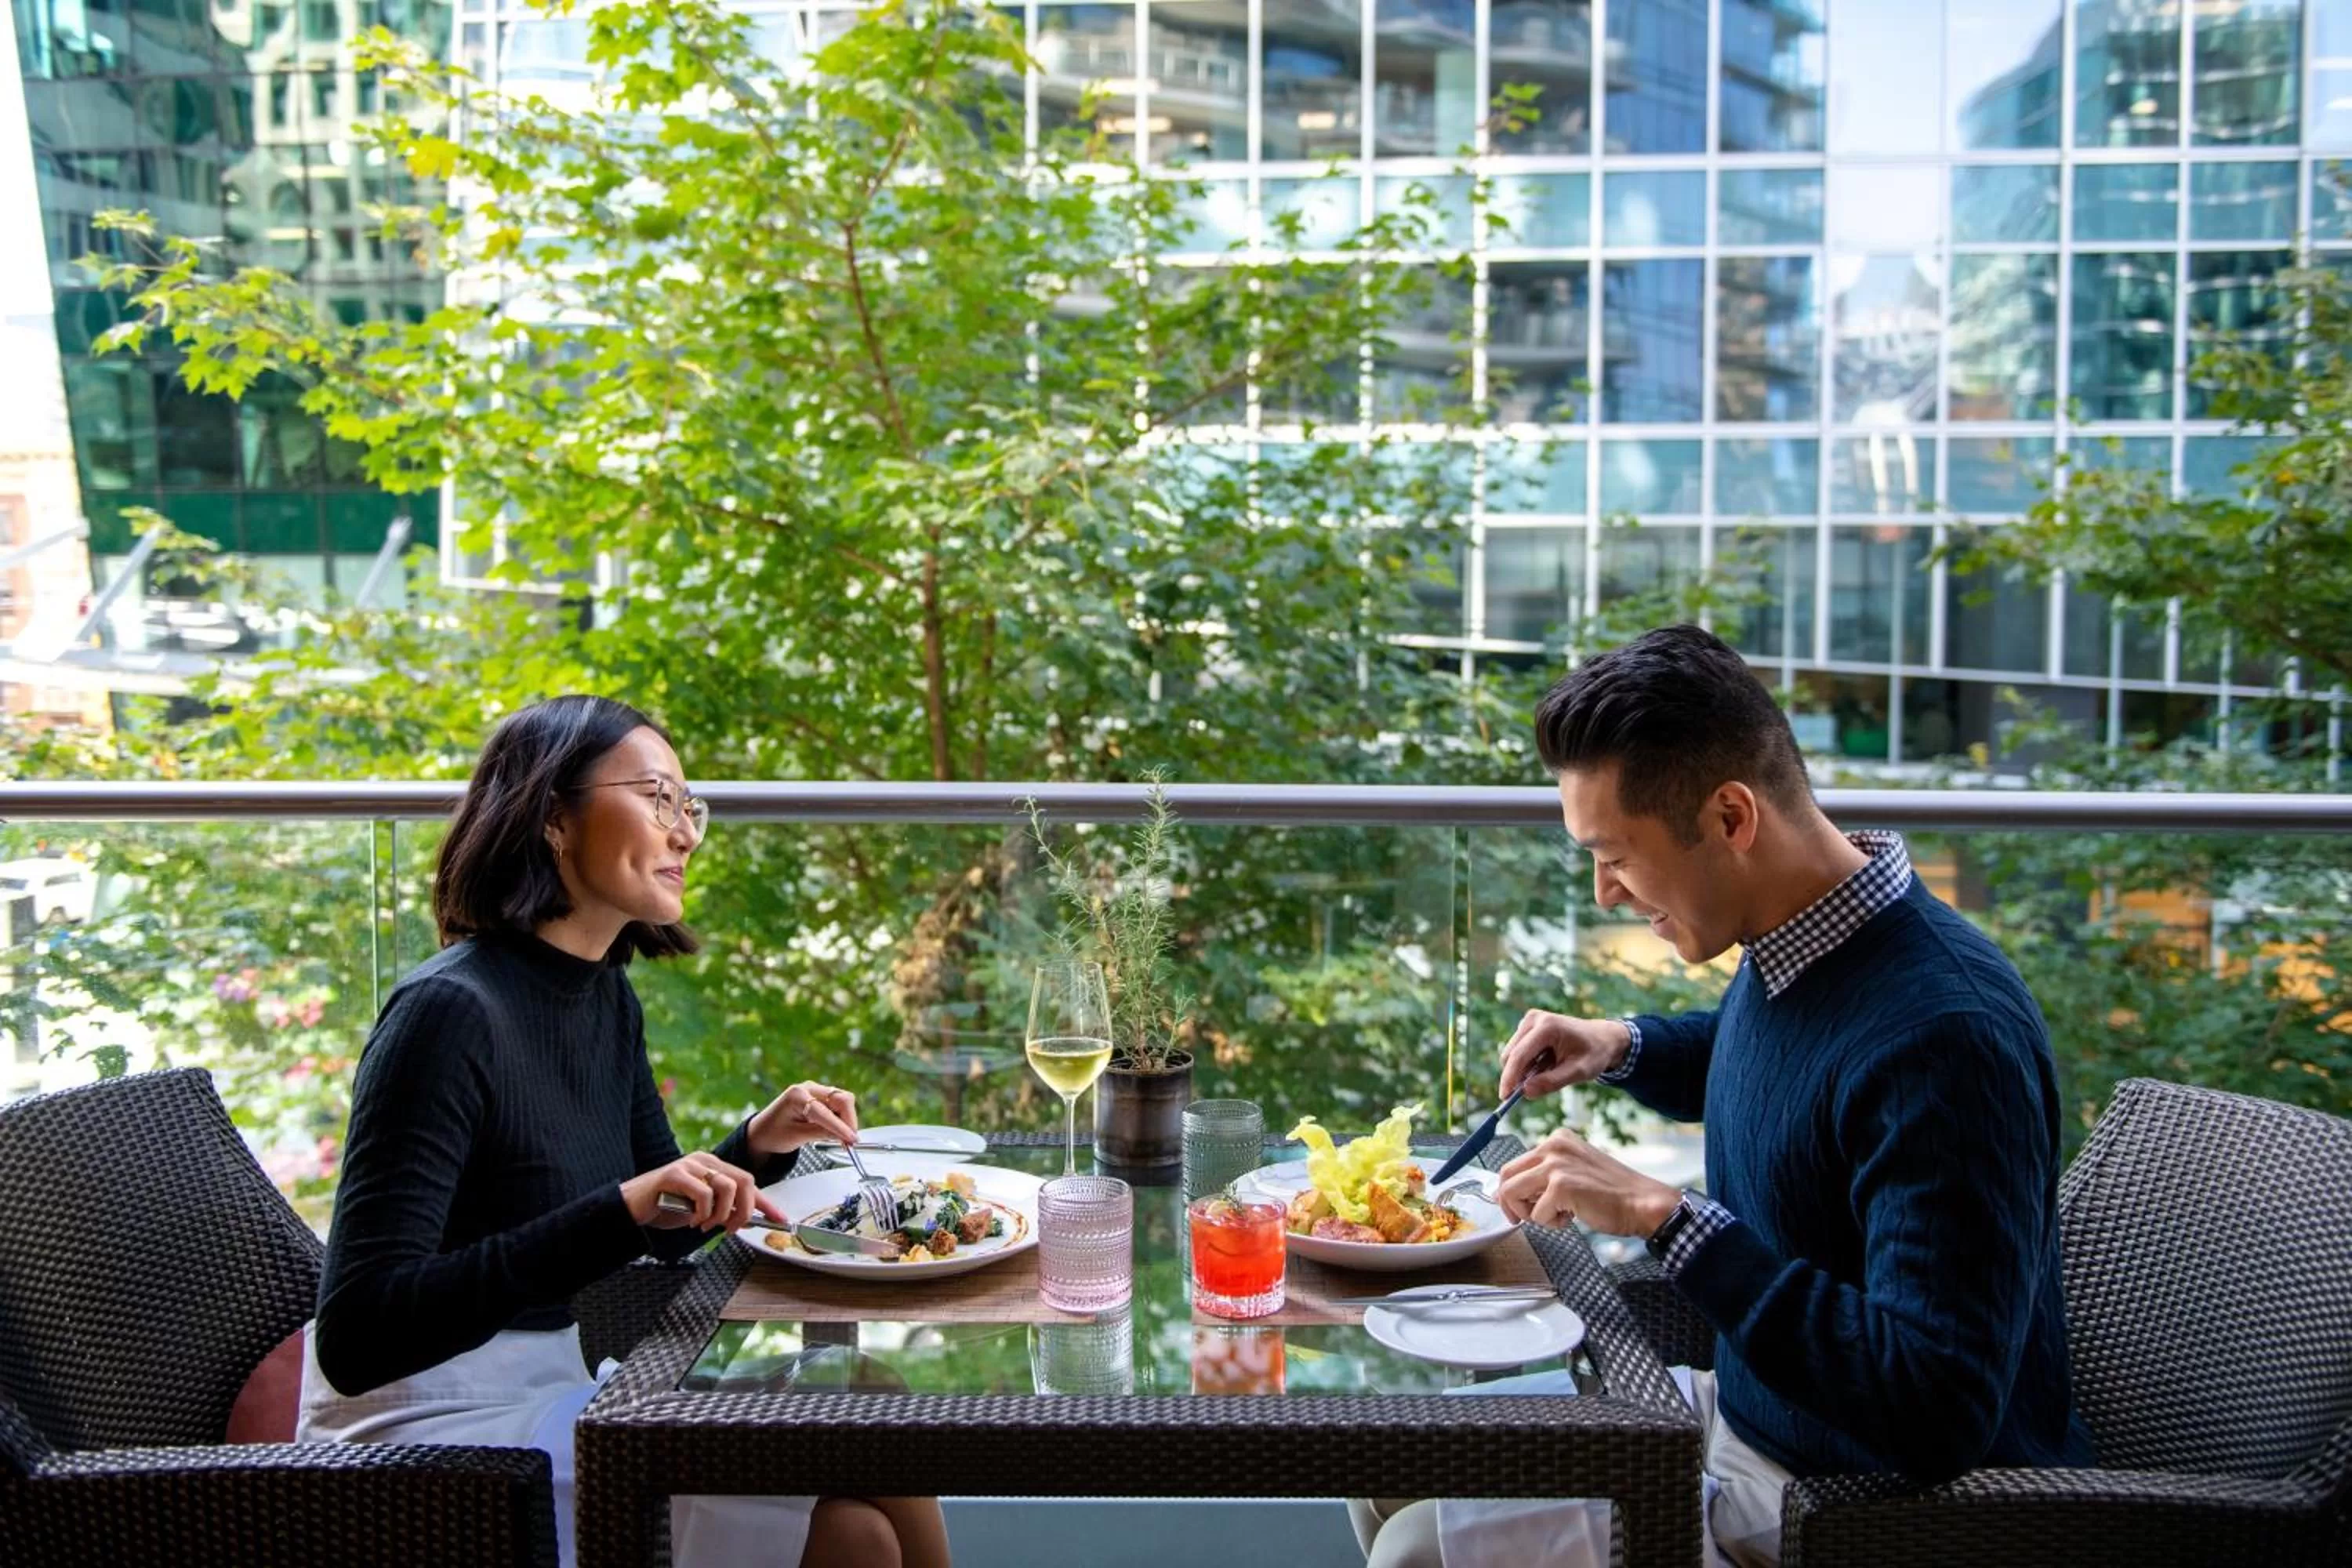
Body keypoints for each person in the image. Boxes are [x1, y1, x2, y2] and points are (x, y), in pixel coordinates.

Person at [1352, 626, 2093, 1568]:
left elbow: (1936, 1406)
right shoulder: (1808, 938)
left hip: (1857, 1499)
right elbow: (1803, 1083)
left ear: (1732, 816)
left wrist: (1670, 1218)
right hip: (1753, 1414)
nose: (1606, 893)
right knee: (1386, 1457)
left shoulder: (1945, 1036)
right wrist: (1619, 1045)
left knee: (1420, 1544)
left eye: (1616, 854)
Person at [298, 695, 950, 1568]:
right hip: (433, 1436)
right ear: (553, 816)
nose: (685, 833)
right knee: (851, 1532)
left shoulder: (605, 995)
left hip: (562, 1392)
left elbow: (658, 1223)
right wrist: (621, 1208)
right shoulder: (447, 1012)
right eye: (657, 797)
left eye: (690, 806)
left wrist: (757, 1141)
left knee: (867, 1393)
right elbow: (359, 1336)